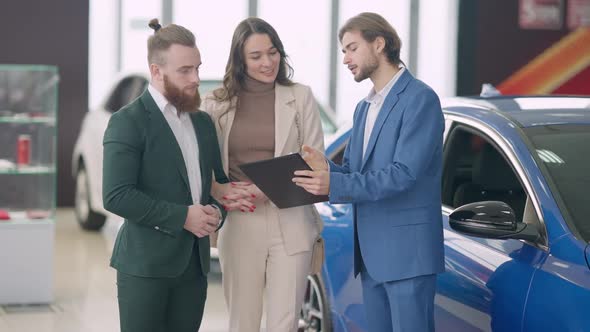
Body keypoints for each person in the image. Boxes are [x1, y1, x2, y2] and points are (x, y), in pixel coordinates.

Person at [293, 12, 445, 332]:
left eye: (351, 48)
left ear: (379, 44)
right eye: (343, 51)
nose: (346, 59)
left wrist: (333, 183)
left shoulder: (420, 99)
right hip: (371, 257)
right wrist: (328, 167)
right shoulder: (364, 108)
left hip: (407, 257)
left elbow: (403, 174)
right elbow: (355, 172)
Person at [102, 18, 228, 332]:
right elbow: (116, 195)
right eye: (185, 70)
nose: (196, 78)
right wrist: (182, 216)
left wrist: (217, 211)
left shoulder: (202, 122)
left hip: (195, 267)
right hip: (145, 268)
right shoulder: (128, 121)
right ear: (156, 71)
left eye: (197, 68)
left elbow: (217, 185)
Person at [201, 17, 325, 332]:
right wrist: (221, 191)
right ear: (240, 61)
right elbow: (204, 169)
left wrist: (260, 190)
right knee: (242, 320)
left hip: (292, 220)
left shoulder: (301, 97)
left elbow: (314, 164)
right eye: (256, 56)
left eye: (273, 52)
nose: (268, 62)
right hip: (240, 220)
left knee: (283, 323)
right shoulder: (216, 104)